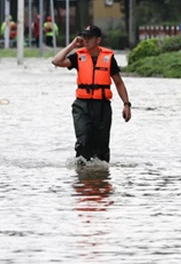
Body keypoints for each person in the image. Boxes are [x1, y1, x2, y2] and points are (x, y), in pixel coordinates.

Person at [51, 25, 131, 163]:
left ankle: (100, 179)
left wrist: (126, 104)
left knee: (102, 147)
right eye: (84, 37)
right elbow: (56, 61)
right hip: (82, 106)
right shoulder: (78, 56)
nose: (86, 40)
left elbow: (118, 82)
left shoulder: (108, 58)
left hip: (102, 107)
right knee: (83, 140)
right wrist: (72, 45)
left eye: (89, 37)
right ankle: (82, 177)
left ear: (98, 40)